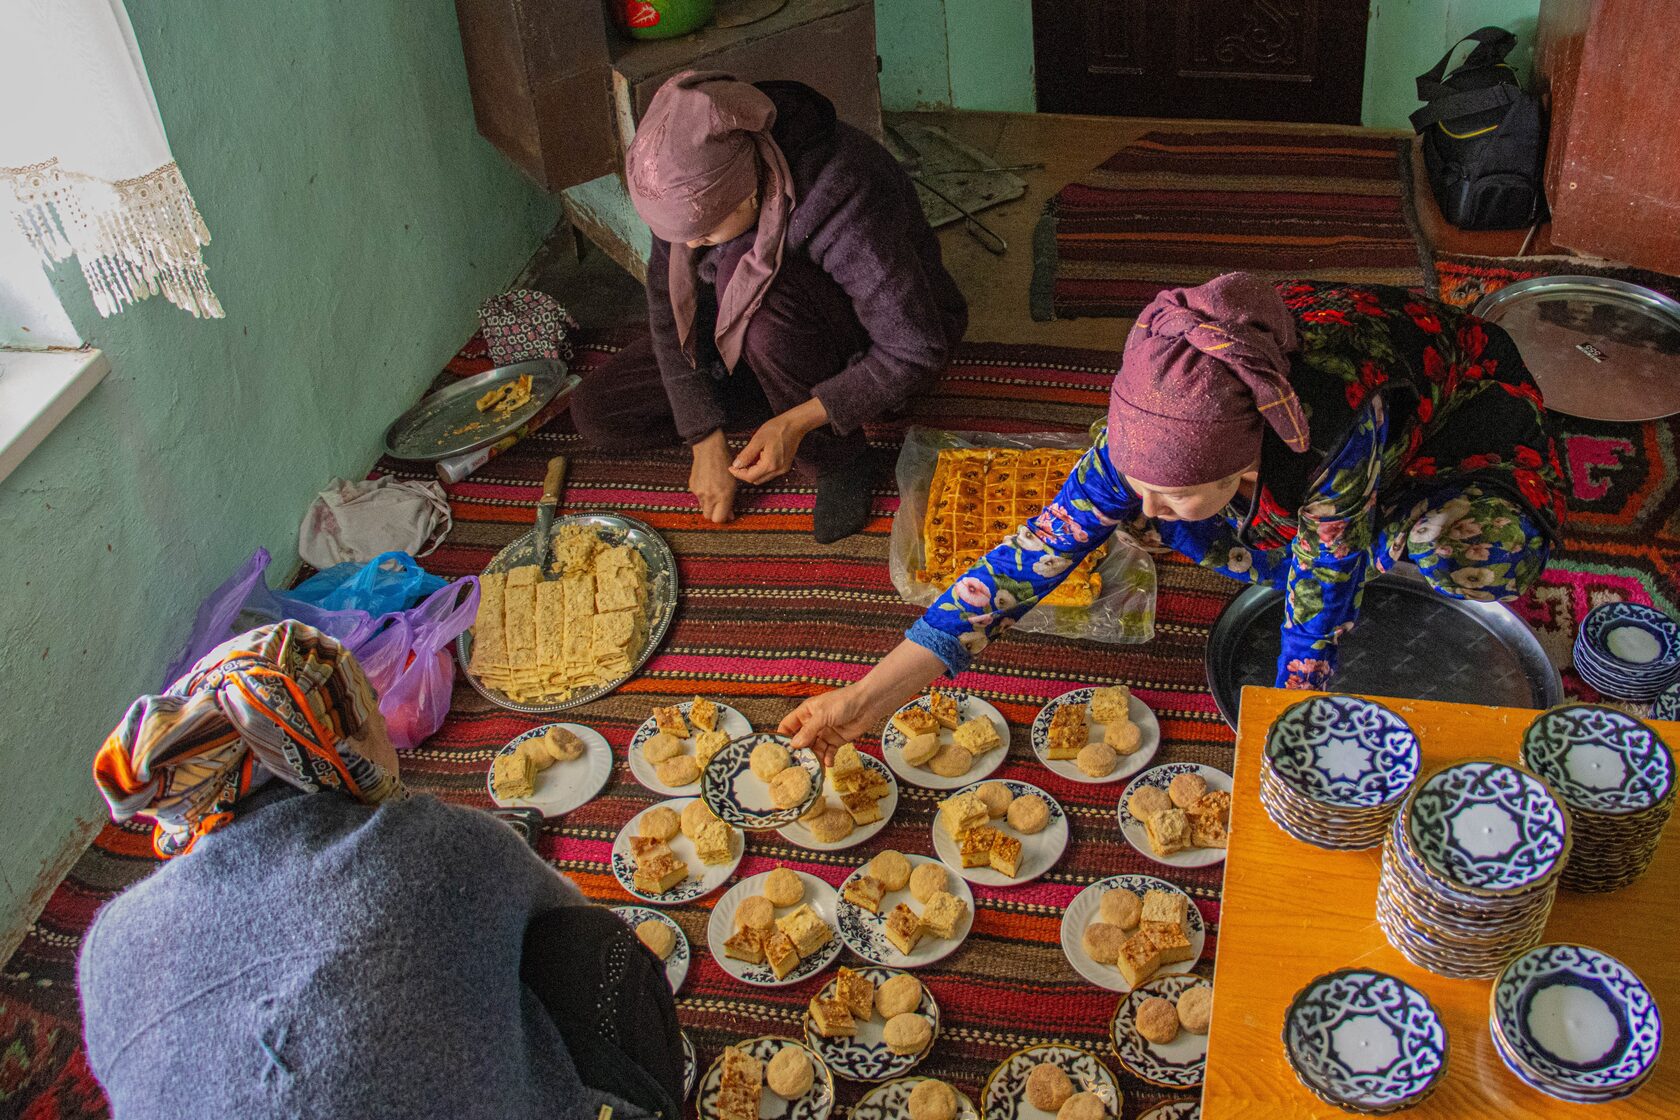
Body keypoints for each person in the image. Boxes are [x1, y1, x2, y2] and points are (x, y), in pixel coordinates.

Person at [782, 273, 1568, 757]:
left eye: (1176, 487)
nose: (1143, 514)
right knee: (1169, 518)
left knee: (1454, 550)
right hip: (1271, 456)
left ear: (1251, 458)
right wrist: (863, 699)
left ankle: (1404, 532)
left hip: (1458, 417)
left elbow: (1318, 599)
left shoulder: (1334, 428)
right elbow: (1020, 565)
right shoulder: (1160, 412)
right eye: (1138, 481)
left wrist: (1285, 736)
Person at [80, 621, 681, 1120]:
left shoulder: (108, 943)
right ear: (333, 744)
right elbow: (566, 909)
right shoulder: (429, 844)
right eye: (370, 709)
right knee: (592, 947)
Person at [568, 70, 967, 543]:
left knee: (760, 311)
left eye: (703, 233)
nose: (690, 246)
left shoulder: (844, 189)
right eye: (680, 237)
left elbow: (915, 349)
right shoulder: (680, 186)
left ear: (749, 187)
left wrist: (797, 423)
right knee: (598, 411)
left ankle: (838, 456)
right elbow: (666, 310)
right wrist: (703, 437)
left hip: (859, 334)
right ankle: (778, 391)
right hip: (760, 332)